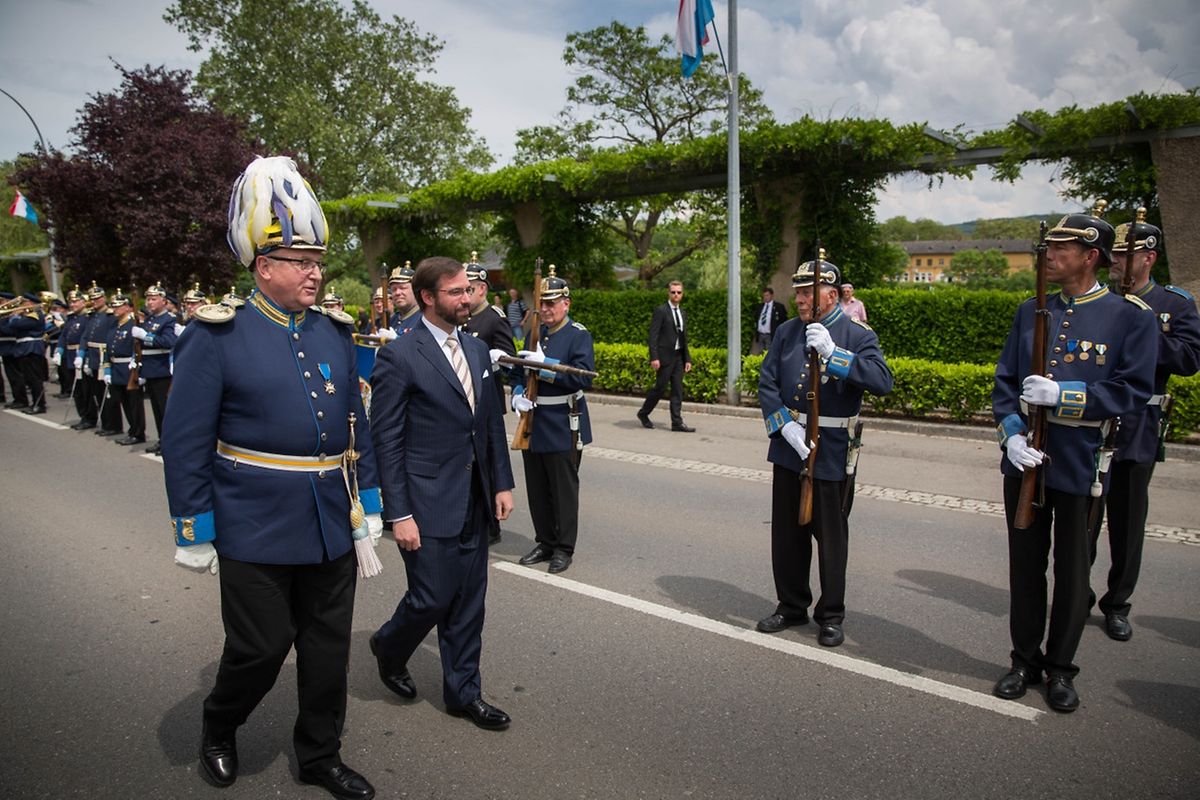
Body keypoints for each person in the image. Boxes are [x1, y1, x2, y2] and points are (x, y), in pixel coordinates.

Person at [162, 155, 383, 799]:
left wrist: (366, 502)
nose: (316, 274)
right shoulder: (218, 337)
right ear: (264, 267)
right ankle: (220, 724)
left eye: (319, 263)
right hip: (253, 519)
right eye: (302, 263)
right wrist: (193, 526)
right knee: (260, 648)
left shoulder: (335, 333)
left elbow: (354, 427)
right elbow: (185, 442)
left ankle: (320, 756)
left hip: (329, 519)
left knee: (326, 649)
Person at [991, 204, 1157, 713]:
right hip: (1027, 460)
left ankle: (1061, 668)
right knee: (1024, 568)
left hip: (1081, 457)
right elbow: (1003, 384)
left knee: (1072, 571)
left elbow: (1132, 390)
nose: (1050, 256)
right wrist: (1012, 436)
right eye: (1051, 248)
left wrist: (1065, 394)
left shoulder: (1129, 317)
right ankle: (1023, 659)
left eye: (1063, 249)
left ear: (1091, 257)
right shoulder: (1029, 309)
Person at [368, 256, 516, 731]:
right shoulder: (400, 355)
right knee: (431, 597)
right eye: (455, 292)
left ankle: (463, 694)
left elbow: (489, 423)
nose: (467, 298)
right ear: (428, 298)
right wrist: (399, 513)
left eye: (469, 290)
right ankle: (389, 647)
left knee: (470, 600)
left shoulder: (475, 350)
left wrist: (502, 482)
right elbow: (386, 441)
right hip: (426, 502)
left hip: (473, 497)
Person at [756, 253, 893, 647]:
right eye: (797, 292)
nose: (798, 300)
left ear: (831, 295)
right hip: (790, 446)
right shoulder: (785, 334)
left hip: (831, 448)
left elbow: (883, 381)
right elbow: (767, 383)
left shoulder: (857, 335)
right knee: (786, 534)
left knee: (830, 538)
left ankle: (831, 614)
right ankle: (791, 604)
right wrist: (783, 425)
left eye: (807, 292)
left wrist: (836, 356)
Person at [1087, 210, 1200, 641]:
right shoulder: (1100, 299)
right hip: (1093, 423)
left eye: (1123, 253)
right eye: (1112, 253)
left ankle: (1117, 603)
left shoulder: (1172, 304)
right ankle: (1079, 594)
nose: (1114, 261)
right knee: (1084, 519)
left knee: (1128, 522)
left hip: (1138, 425)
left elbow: (1189, 359)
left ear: (1148, 256)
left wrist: (1143, 325)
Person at [513, 266, 595, 574]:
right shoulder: (537, 332)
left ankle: (564, 547)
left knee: (563, 489)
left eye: (552, 303)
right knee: (537, 488)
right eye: (542, 303)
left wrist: (546, 365)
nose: (546, 309)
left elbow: (582, 377)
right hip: (534, 419)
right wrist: (517, 393)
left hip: (563, 419)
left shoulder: (578, 335)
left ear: (566, 304)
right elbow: (520, 371)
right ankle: (545, 540)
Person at [637, 280, 693, 432]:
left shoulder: (682, 313)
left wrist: (687, 358)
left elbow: (683, 337)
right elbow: (653, 335)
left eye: (679, 292)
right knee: (660, 388)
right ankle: (643, 413)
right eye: (673, 292)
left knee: (677, 389)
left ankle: (677, 423)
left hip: (678, 357)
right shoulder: (661, 311)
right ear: (668, 293)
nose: (676, 295)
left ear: (682, 294)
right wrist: (654, 357)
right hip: (664, 357)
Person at [132, 282, 177, 455]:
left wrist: (146, 336)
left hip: (162, 370)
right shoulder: (150, 319)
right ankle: (161, 440)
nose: (149, 303)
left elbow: (168, 342)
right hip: (150, 370)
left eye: (153, 299)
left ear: (163, 301)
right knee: (157, 411)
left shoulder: (169, 320)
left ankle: (169, 443)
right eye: (148, 299)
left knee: (165, 411)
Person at [104, 289, 147, 445]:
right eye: (114, 306)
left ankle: (138, 432)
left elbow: (139, 348)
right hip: (117, 369)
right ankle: (132, 430)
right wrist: (107, 369)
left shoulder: (133, 325)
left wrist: (139, 369)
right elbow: (108, 348)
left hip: (130, 369)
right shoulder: (115, 326)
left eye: (119, 306)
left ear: (128, 307)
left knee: (134, 404)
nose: (115, 309)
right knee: (125, 403)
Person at [79, 284, 122, 436]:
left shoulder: (110, 315)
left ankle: (114, 425)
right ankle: (105, 423)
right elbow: (86, 335)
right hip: (93, 356)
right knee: (97, 392)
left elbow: (111, 337)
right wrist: (82, 354)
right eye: (92, 299)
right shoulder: (91, 315)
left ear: (103, 298)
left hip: (104, 355)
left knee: (108, 394)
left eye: (97, 298)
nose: (95, 301)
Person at [751, 287, 788, 355]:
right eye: (764, 296)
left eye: (767, 295)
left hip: (770, 335)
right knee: (760, 353)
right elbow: (756, 318)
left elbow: (783, 320)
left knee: (769, 353)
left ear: (772, 295)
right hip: (761, 334)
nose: (765, 297)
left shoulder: (778, 307)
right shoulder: (760, 306)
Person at [387, 261, 421, 336]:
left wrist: (395, 340)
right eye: (394, 289)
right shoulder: (392, 320)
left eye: (403, 288)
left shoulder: (426, 319)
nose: (397, 293)